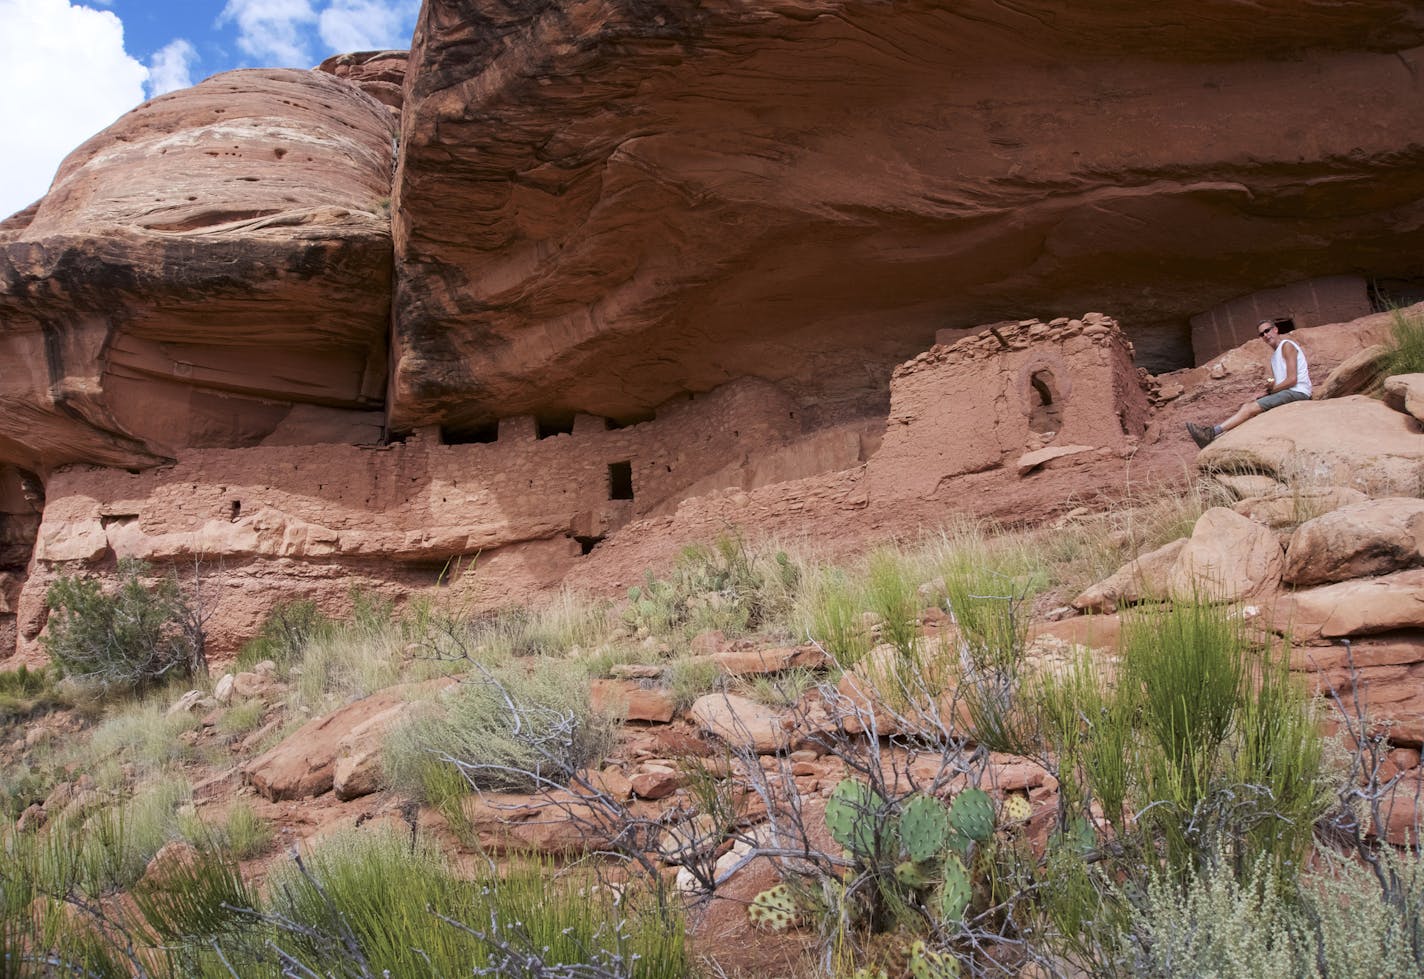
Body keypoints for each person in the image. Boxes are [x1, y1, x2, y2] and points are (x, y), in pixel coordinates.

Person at [1186, 320, 1311, 448]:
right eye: (1262, 334)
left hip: (1298, 391)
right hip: (1288, 392)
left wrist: (1269, 392)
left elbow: (1292, 380)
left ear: (1275, 330)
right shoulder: (1274, 357)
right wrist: (1268, 388)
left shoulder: (1287, 346)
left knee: (1248, 408)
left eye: (1267, 331)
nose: (1265, 335)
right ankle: (1217, 436)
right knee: (1248, 405)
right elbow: (1280, 382)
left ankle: (1211, 433)